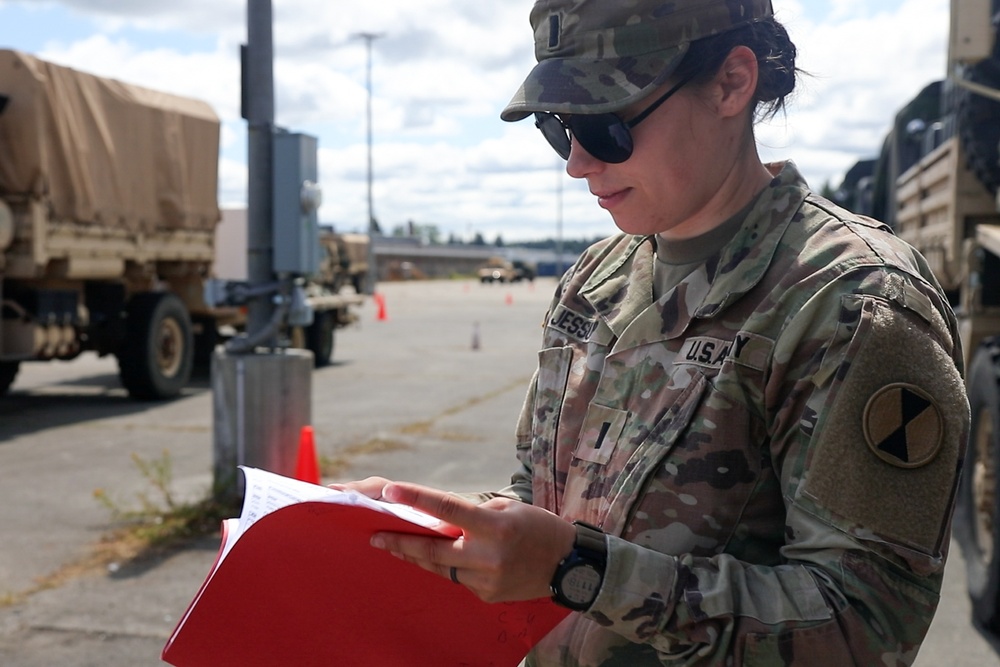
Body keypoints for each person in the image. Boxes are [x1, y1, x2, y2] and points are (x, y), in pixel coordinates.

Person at [344, 0, 971, 664]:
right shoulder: (597, 278)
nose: (578, 163)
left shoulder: (852, 301)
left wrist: (580, 571)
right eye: (559, 128)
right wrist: (409, 521)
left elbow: (864, 628)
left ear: (732, 82)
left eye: (606, 125)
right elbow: (541, 500)